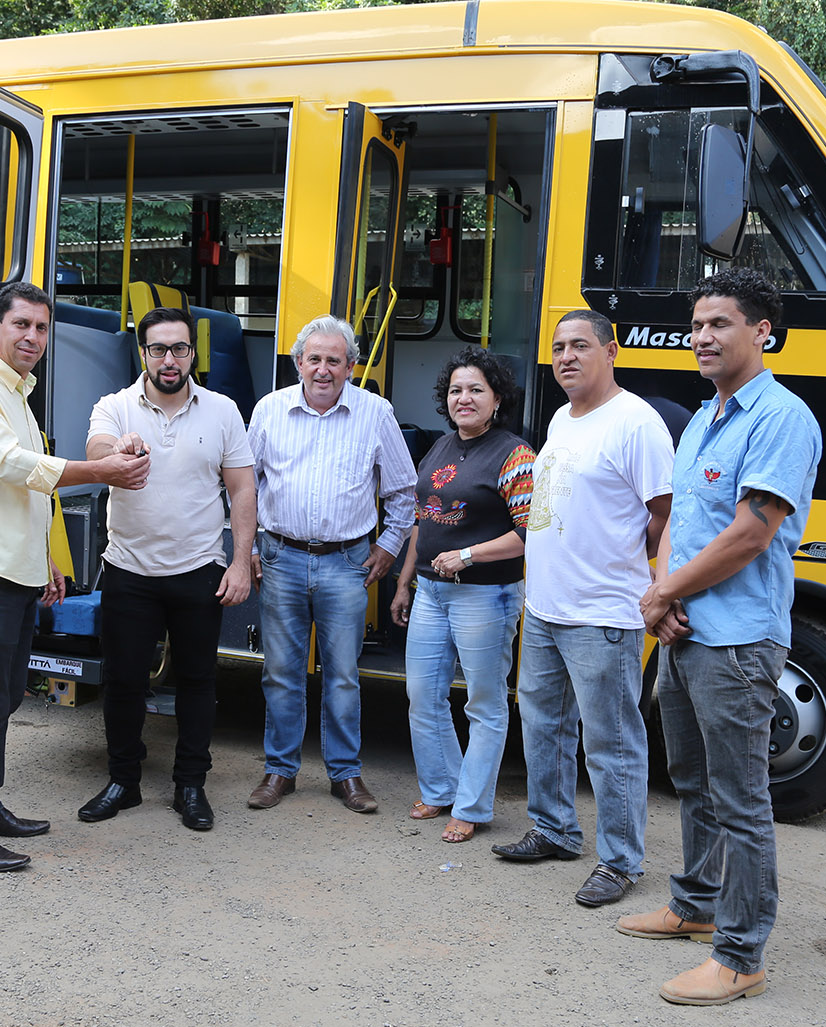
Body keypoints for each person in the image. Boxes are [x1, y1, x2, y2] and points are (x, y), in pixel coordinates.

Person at [625, 267, 822, 1004]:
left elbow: (748, 534)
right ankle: (695, 908)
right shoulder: (708, 415)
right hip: (686, 632)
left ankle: (741, 956)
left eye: (720, 325)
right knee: (692, 785)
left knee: (740, 800)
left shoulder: (782, 418)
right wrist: (666, 596)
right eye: (697, 324)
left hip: (736, 644)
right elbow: (682, 519)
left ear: (761, 331)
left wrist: (664, 593)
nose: (702, 337)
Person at [0, 281, 151, 873]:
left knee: (3, 697)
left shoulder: (16, 393)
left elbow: (16, 493)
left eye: (42, 328)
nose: (32, 337)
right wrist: (102, 470)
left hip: (13, 570)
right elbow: (13, 465)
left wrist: (46, 560)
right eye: (21, 325)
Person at [490, 311, 674, 913]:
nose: (566, 356)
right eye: (558, 347)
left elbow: (665, 515)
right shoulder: (563, 418)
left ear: (611, 350)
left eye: (580, 346)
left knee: (612, 743)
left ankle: (620, 861)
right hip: (544, 606)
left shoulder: (636, 423)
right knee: (542, 727)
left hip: (602, 613)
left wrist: (651, 581)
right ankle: (554, 830)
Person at [76, 307, 257, 832]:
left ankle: (190, 786)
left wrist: (240, 562)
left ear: (192, 354)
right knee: (124, 681)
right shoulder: (115, 407)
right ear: (144, 354)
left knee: (199, 681)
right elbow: (96, 448)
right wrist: (120, 449)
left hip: (199, 569)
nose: (170, 359)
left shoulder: (222, 411)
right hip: (129, 571)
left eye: (179, 348)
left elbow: (243, 489)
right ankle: (123, 782)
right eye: (158, 349)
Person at [246, 315, 416, 814]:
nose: (323, 369)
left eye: (334, 360)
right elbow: (244, 486)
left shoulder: (375, 412)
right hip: (280, 557)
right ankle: (280, 771)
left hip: (347, 562)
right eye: (314, 359)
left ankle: (346, 774)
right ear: (299, 363)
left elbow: (404, 491)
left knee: (343, 672)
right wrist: (249, 549)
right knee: (281, 672)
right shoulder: (269, 410)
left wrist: (387, 546)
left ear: (351, 365)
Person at [388, 347, 534, 843]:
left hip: (485, 595)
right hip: (430, 590)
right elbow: (420, 519)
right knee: (422, 697)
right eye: (455, 390)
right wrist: (406, 580)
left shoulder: (515, 454)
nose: (463, 398)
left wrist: (469, 556)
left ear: (497, 399)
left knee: (484, 704)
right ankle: (439, 789)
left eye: (476, 390)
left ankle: (471, 806)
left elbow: (532, 529)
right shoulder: (441, 447)